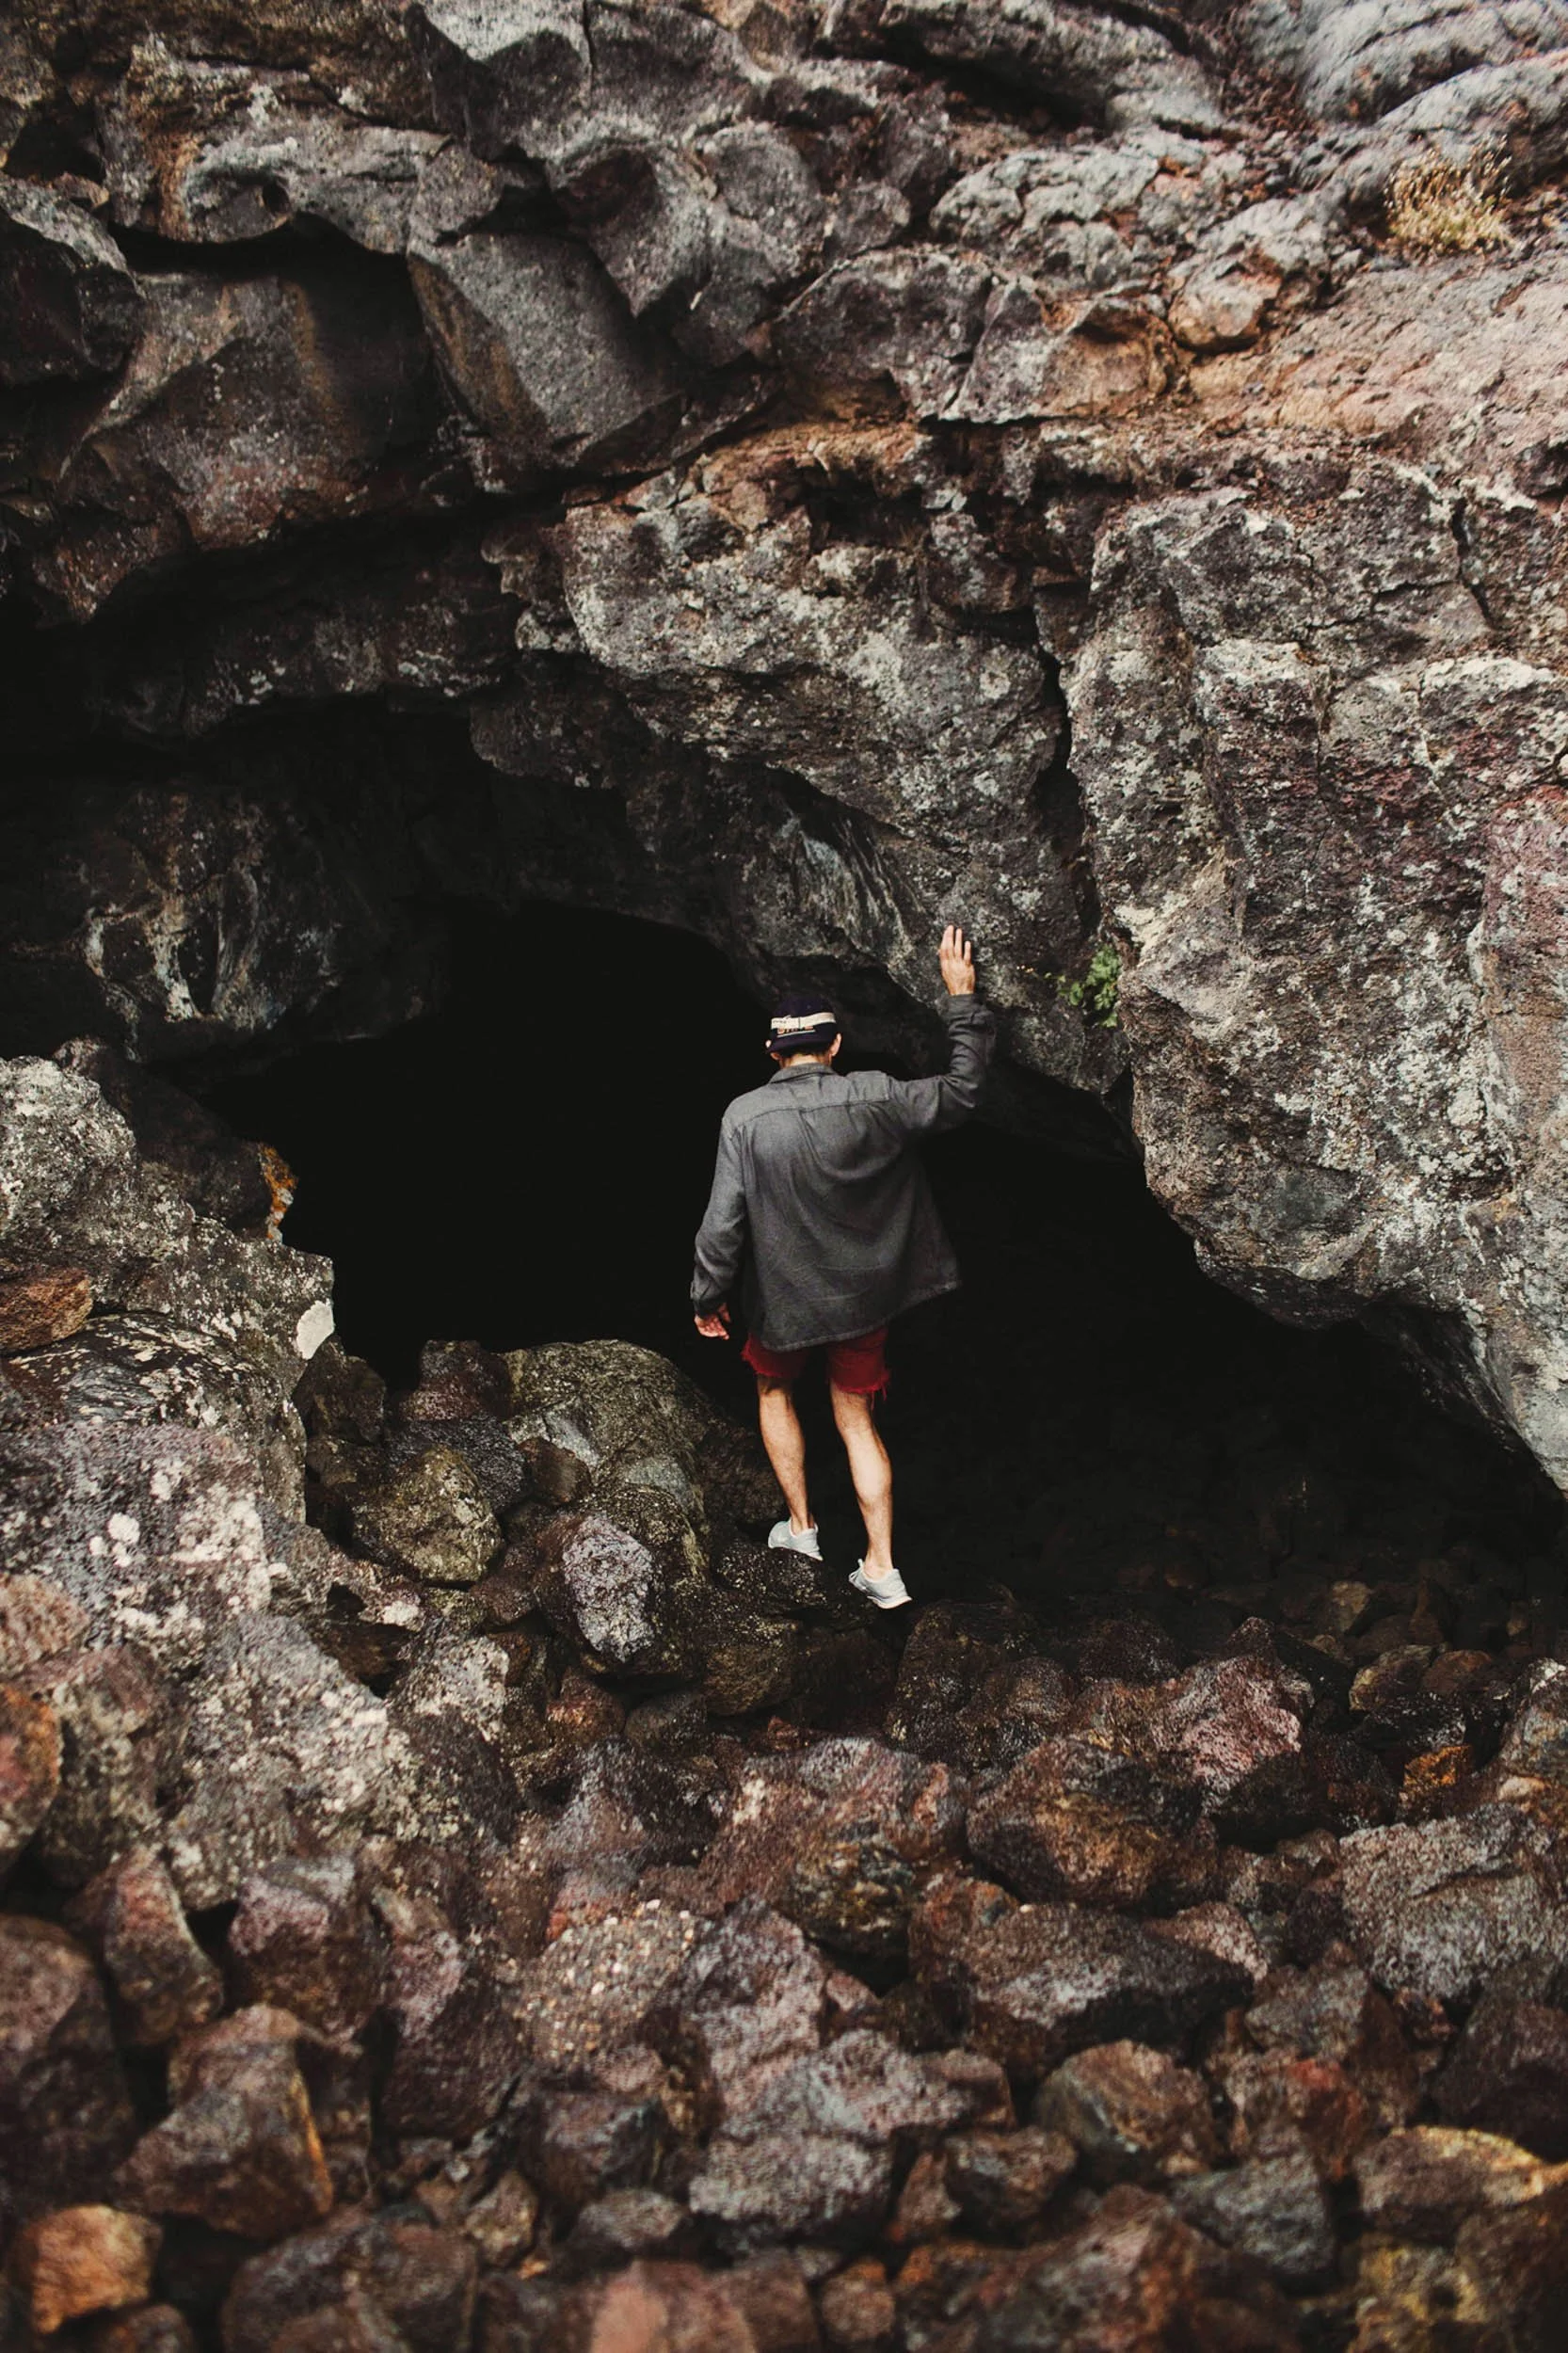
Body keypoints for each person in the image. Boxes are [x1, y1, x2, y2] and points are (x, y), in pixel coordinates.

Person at [691, 925, 996, 1608]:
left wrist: (706, 1295)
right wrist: (961, 1001)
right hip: (864, 1297)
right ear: (833, 1047)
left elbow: (723, 1223)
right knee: (856, 1420)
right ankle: (882, 1569)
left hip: (784, 1302)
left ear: (773, 1052)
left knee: (774, 1395)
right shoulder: (878, 1096)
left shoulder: (745, 1117)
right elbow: (962, 1092)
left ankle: (801, 1531)